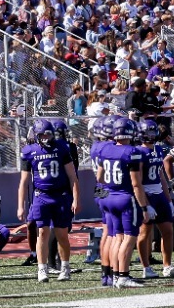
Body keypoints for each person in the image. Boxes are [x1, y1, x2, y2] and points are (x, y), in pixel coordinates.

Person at [18, 118, 81, 284]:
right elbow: (23, 182)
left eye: (48, 134)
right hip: (41, 196)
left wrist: (76, 198)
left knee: (62, 234)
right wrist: (20, 206)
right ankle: (42, 269)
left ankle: (65, 267)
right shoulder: (29, 151)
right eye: (42, 134)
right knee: (43, 233)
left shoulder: (62, 148)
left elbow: (72, 177)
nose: (45, 137)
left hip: (60, 196)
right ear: (37, 135)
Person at [89, 116, 146, 289]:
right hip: (122, 196)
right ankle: (121, 275)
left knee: (114, 236)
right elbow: (136, 183)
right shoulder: (131, 151)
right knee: (123, 237)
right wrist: (145, 206)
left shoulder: (102, 148)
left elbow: (99, 178)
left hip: (106, 194)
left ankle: (110, 275)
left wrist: (104, 196)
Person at [135, 117, 174, 279]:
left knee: (168, 231)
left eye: (153, 131)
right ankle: (146, 267)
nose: (152, 135)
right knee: (145, 233)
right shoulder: (138, 152)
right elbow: (137, 181)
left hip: (159, 194)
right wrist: (145, 204)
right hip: (146, 194)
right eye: (149, 132)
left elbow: (161, 175)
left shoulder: (159, 150)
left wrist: (168, 200)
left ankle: (167, 266)